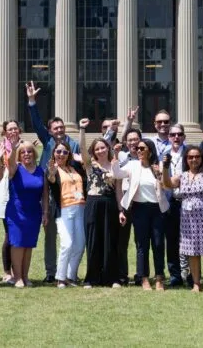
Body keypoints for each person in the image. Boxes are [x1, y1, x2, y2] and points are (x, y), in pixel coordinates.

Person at [25, 81, 80, 283]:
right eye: (55, 128)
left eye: (61, 127)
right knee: (50, 236)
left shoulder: (73, 144)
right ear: (50, 131)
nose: (59, 130)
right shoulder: (47, 141)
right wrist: (32, 102)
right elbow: (37, 122)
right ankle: (51, 272)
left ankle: (67, 272)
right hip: (48, 195)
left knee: (70, 236)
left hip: (68, 195)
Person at [162, 145, 203, 293]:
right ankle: (196, 283)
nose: (194, 160)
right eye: (190, 157)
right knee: (192, 250)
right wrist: (165, 168)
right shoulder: (182, 175)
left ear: (202, 158)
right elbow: (167, 184)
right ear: (186, 159)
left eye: (197, 157)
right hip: (188, 218)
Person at [113, 138, 169, 291]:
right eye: (137, 148)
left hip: (157, 209)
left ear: (150, 151)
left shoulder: (158, 166)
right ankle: (144, 278)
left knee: (158, 244)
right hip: (139, 209)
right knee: (142, 245)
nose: (138, 151)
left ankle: (159, 278)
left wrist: (160, 174)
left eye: (142, 148)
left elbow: (166, 186)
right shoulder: (132, 165)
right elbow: (117, 174)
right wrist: (116, 155)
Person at [78, 120, 121, 288]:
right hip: (93, 204)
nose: (101, 150)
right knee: (93, 241)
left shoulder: (115, 165)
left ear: (108, 148)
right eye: (97, 149)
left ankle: (111, 278)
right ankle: (91, 278)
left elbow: (118, 190)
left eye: (103, 147)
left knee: (110, 241)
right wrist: (82, 129)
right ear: (93, 152)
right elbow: (82, 149)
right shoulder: (90, 165)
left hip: (110, 204)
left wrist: (120, 210)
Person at [4, 141, 48, 288]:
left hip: (34, 212)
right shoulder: (15, 168)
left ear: (34, 153)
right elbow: (10, 162)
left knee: (28, 245)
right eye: (23, 152)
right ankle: (17, 278)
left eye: (29, 151)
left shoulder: (40, 171)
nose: (26, 154)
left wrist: (45, 213)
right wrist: (14, 149)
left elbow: (45, 195)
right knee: (17, 244)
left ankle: (25, 276)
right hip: (16, 212)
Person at [46, 138, 87, 287]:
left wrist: (82, 160)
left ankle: (71, 276)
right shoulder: (53, 168)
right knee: (67, 244)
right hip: (64, 210)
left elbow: (88, 170)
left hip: (80, 207)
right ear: (54, 153)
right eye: (58, 151)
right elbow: (51, 179)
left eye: (64, 151)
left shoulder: (74, 168)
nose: (61, 154)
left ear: (68, 154)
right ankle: (60, 278)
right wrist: (50, 173)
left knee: (80, 244)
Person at [113, 126, 143, 285]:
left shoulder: (145, 158)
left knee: (141, 242)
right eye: (130, 140)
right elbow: (118, 185)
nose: (133, 142)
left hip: (141, 204)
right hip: (125, 203)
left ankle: (140, 275)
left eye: (136, 139)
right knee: (122, 241)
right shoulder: (122, 159)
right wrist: (120, 208)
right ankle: (122, 275)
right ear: (126, 142)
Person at [162, 123, 189, 287]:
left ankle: (191, 274)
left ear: (184, 136)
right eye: (173, 135)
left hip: (188, 201)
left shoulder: (190, 154)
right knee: (171, 240)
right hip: (170, 202)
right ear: (169, 137)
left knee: (189, 239)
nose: (176, 137)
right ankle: (175, 275)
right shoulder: (164, 155)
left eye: (179, 134)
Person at [0, 118, 22, 284]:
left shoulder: (25, 146)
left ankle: (18, 271)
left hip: (23, 195)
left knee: (19, 234)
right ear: (5, 132)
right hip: (6, 194)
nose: (13, 131)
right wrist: (0, 159)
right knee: (9, 234)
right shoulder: (1, 149)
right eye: (10, 129)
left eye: (15, 128)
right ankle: (7, 272)